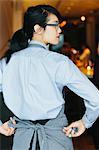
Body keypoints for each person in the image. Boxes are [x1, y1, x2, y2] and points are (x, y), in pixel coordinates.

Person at [0, 4, 99, 150]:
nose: (59, 30)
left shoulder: (6, 62)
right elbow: (95, 96)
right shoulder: (59, 62)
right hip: (56, 139)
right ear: (37, 29)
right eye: (55, 25)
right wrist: (85, 122)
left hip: (22, 140)